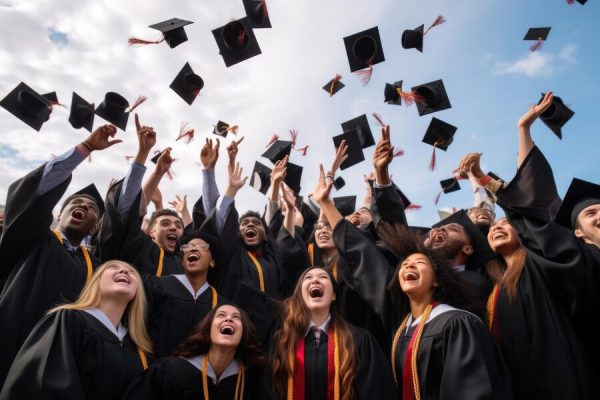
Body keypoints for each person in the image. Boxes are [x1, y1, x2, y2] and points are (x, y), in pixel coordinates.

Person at [460, 92, 600, 398]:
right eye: (493, 227)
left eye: (505, 223)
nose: (497, 225)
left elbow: (535, 205)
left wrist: (523, 132)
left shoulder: (543, 268)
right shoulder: (489, 285)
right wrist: (477, 179)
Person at [0, 124, 120, 387]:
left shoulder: (95, 269)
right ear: (58, 214)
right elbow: (37, 192)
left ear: (96, 226)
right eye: (74, 203)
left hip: (51, 365)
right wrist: (85, 148)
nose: (81, 205)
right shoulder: (34, 238)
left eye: (91, 208)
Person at [369, 125, 493, 303]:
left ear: (468, 248)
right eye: (439, 227)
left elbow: (485, 205)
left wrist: (475, 177)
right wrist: (381, 173)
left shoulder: (475, 286)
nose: (438, 230)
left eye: (451, 228)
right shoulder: (407, 276)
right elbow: (394, 228)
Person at [0, 260, 152, 399]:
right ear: (96, 282)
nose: (124, 271)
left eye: (131, 272)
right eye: (113, 267)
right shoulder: (68, 320)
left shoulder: (139, 350)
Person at [268, 266, 398, 400]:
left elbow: (376, 392)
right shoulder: (282, 341)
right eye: (308, 277)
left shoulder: (358, 341)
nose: (315, 281)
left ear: (334, 295)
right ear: (300, 295)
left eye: (323, 277)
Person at [199, 138, 287, 299]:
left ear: (265, 234)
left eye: (257, 223)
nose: (250, 225)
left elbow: (273, 221)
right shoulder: (231, 253)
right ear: (237, 233)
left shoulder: (272, 256)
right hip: (234, 319)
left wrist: (274, 185)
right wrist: (227, 186)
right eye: (244, 223)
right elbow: (218, 218)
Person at [99, 114, 186, 276]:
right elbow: (128, 211)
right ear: (150, 232)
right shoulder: (138, 248)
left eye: (178, 226)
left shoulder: (186, 264)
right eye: (165, 223)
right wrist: (143, 154)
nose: (174, 227)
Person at [124, 304, 266, 400]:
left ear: (244, 333)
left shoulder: (252, 381)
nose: (229, 318)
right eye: (221, 315)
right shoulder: (171, 371)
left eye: (236, 317)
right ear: (208, 329)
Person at [143, 230, 225, 358]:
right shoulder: (157, 286)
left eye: (200, 246)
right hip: (155, 370)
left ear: (212, 262)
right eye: (188, 247)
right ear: (182, 262)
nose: (192, 249)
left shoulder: (219, 304)